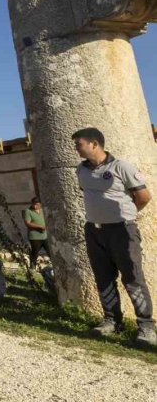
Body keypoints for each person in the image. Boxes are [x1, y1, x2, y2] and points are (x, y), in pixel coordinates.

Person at [72, 127, 155, 347]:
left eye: (79, 144)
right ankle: (111, 321)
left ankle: (146, 327)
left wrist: (127, 215)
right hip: (94, 230)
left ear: (94, 144)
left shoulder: (121, 167)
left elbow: (144, 196)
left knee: (132, 277)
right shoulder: (81, 170)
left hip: (121, 230)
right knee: (103, 277)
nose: (76, 149)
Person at [23, 196, 49, 266]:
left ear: (40, 204)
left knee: (50, 251)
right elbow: (27, 223)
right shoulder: (28, 211)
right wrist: (40, 226)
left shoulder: (43, 210)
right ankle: (32, 267)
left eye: (36, 204)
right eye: (33, 204)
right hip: (35, 237)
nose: (34, 206)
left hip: (45, 235)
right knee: (35, 252)